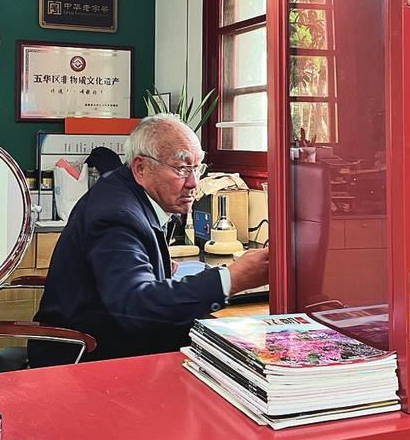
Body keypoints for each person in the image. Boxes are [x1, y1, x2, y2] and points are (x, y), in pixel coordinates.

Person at [29, 114, 269, 367]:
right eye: (181, 169)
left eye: (197, 168)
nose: (193, 183)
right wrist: (232, 279)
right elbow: (137, 306)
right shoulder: (116, 216)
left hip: (112, 340)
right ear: (141, 168)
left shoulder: (125, 194)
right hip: (89, 360)